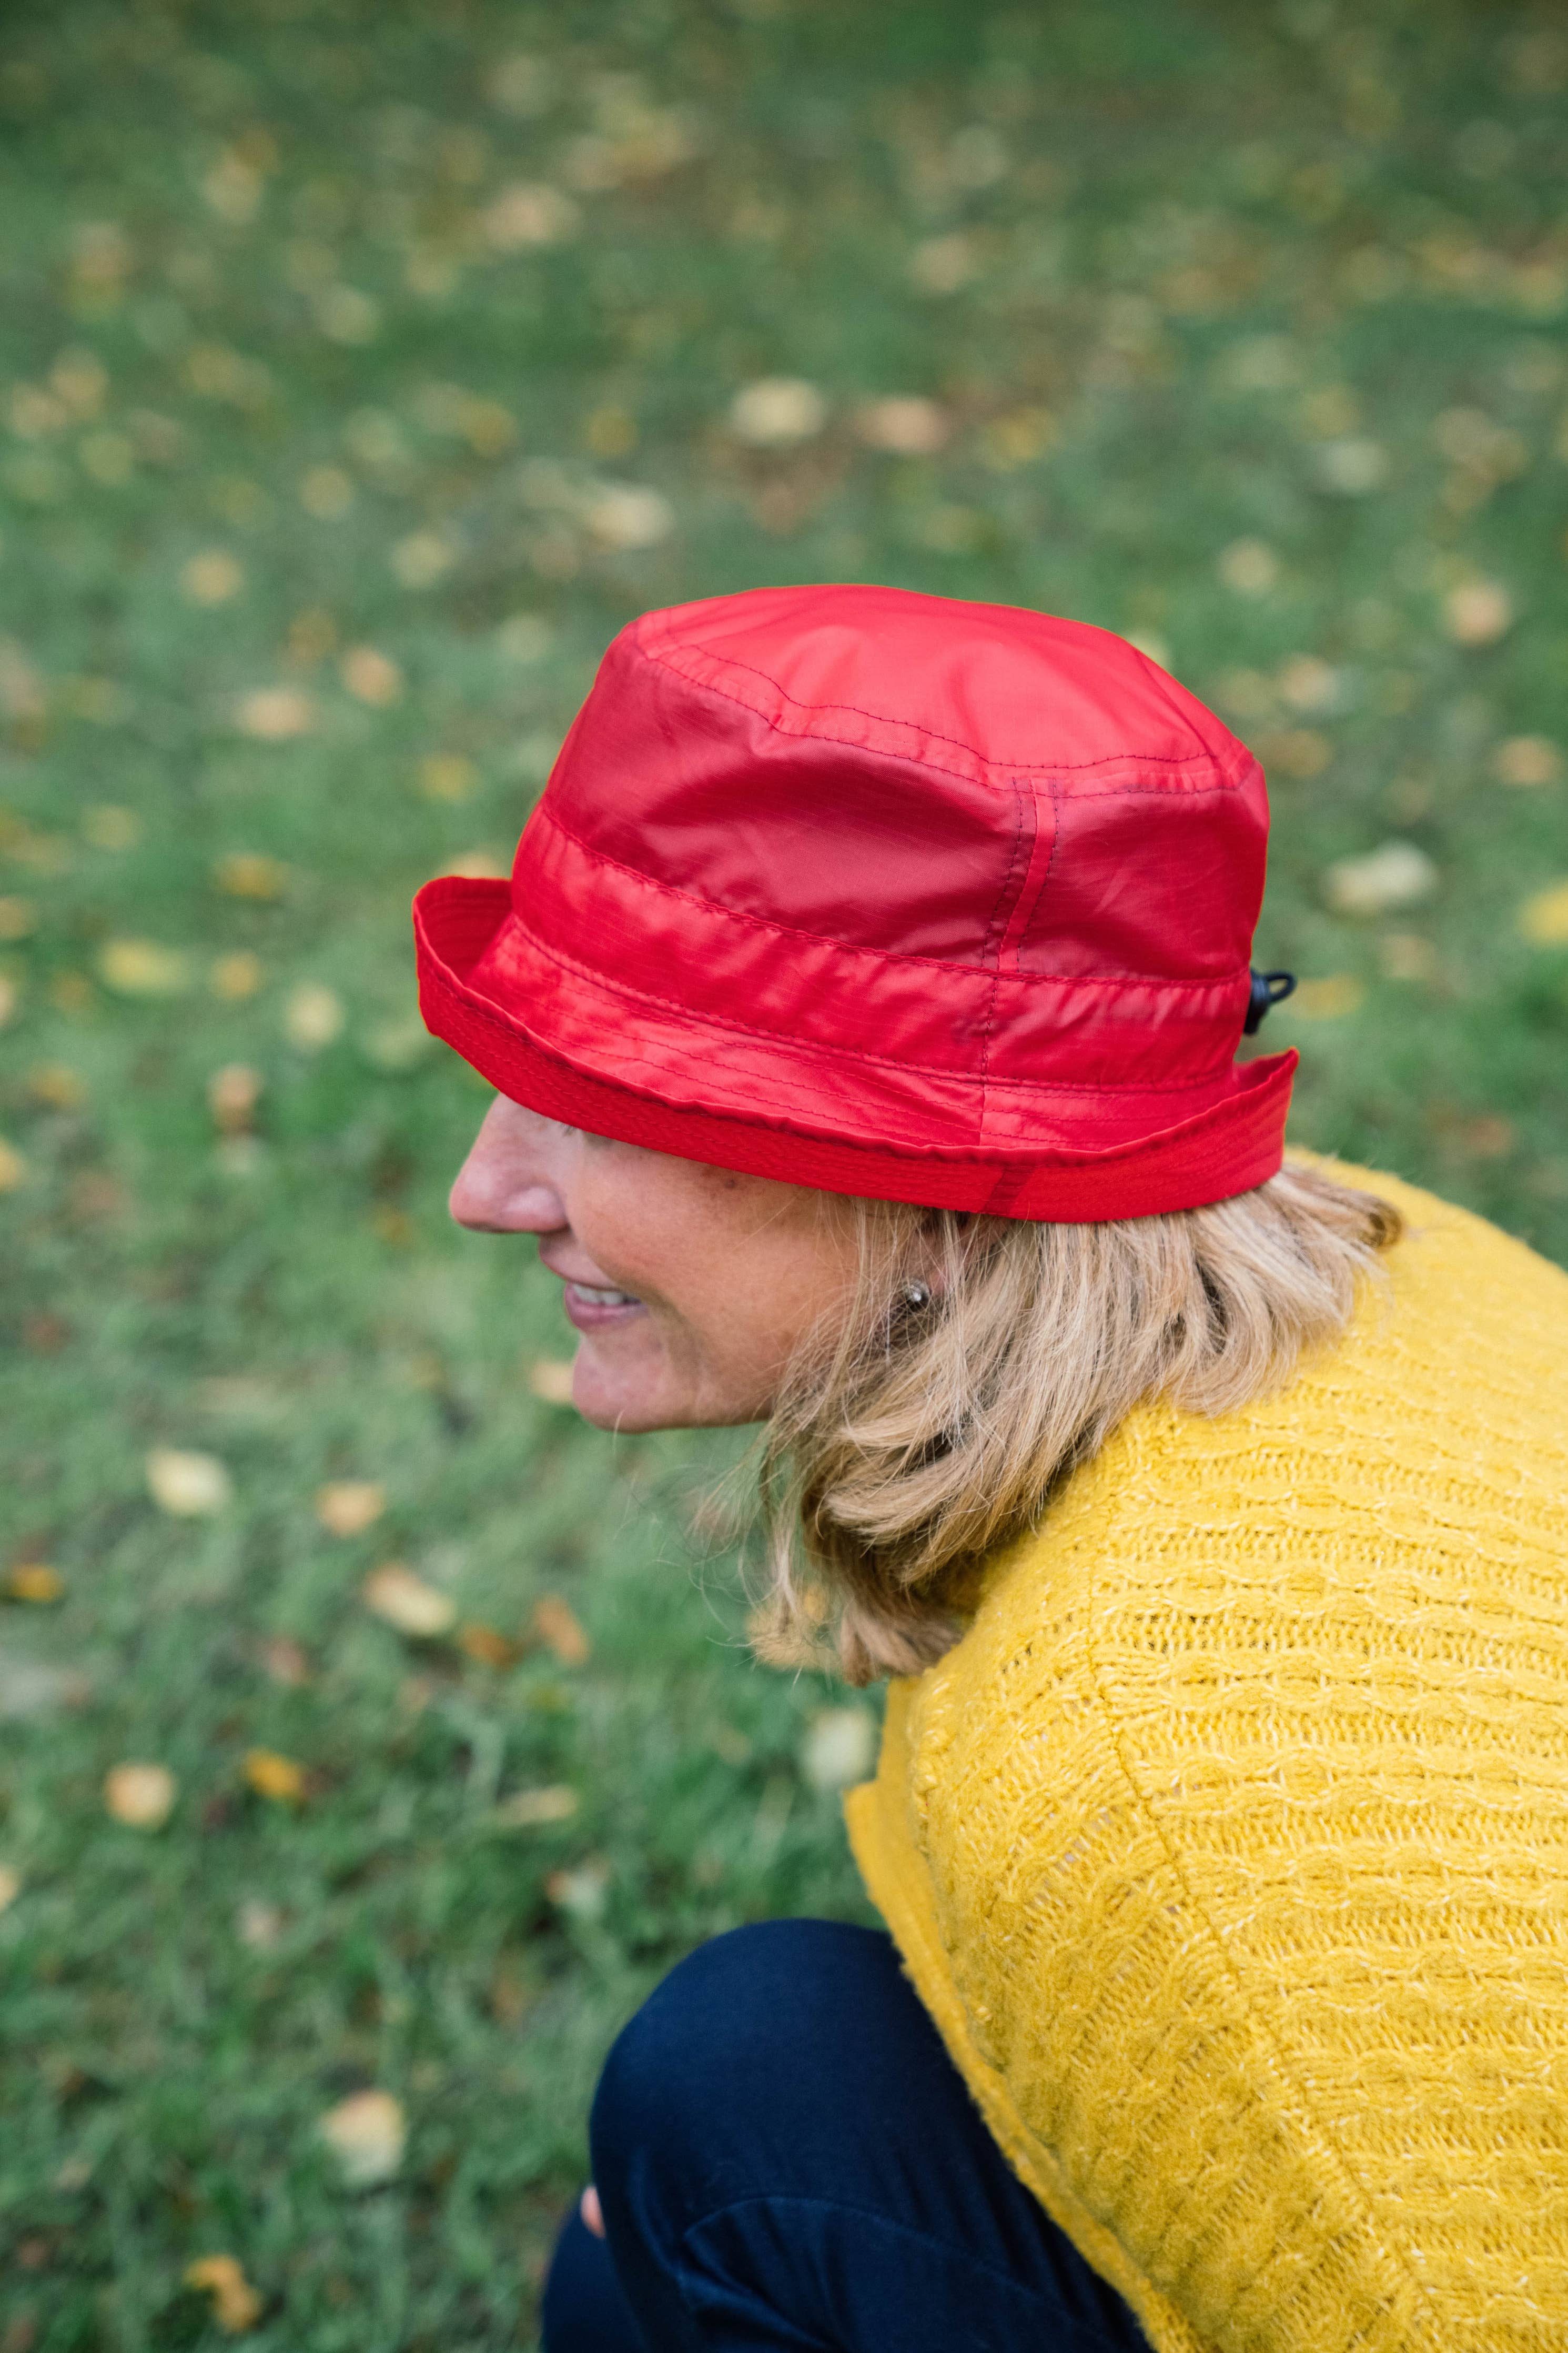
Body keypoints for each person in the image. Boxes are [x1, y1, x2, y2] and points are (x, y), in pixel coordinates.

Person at [417, 587, 1568, 2353]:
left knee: (724, 2103)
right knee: (703, 2165)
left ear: (929, 1195)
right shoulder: (1415, 1264)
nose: (483, 1190)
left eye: (591, 1104)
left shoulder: (1152, 1789)